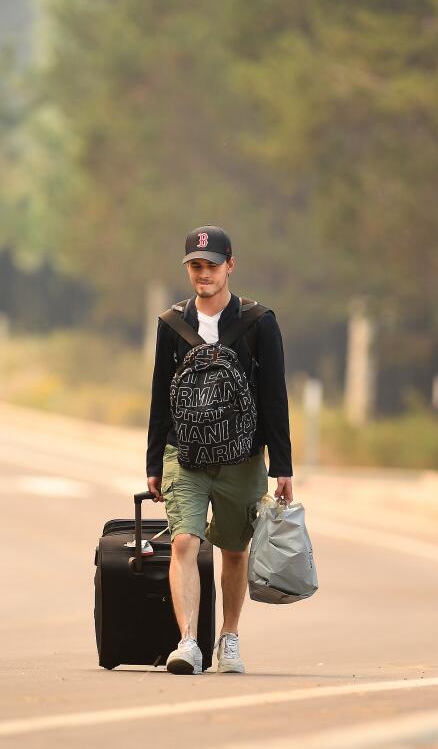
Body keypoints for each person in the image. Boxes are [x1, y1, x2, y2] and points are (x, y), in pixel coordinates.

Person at [146, 225, 293, 675]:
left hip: (243, 457)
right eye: (195, 265)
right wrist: (154, 461)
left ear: (230, 265)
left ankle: (228, 637)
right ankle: (188, 640)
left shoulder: (258, 323)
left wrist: (282, 466)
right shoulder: (172, 323)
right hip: (185, 455)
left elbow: (274, 396)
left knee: (233, 550)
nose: (202, 274)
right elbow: (159, 395)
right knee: (185, 541)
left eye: (211, 265)